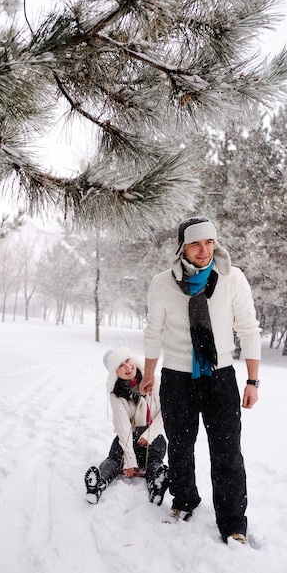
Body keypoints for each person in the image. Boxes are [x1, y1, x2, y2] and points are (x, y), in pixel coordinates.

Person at [140, 216, 261, 545]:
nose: (204, 250)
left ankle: (233, 522)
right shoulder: (162, 283)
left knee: (228, 452)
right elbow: (154, 332)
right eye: (195, 243)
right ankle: (184, 500)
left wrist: (253, 380)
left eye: (209, 242)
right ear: (182, 248)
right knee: (180, 447)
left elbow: (248, 328)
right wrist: (149, 373)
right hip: (177, 378)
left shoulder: (232, 279)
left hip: (221, 377)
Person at [85, 346, 169, 506]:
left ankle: (156, 486)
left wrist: (149, 435)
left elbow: (165, 413)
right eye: (120, 366)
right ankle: (97, 486)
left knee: (154, 459)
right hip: (128, 437)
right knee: (114, 457)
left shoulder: (153, 380)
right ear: (114, 372)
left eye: (127, 361)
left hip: (154, 435)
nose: (127, 367)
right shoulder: (116, 395)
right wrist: (129, 460)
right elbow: (123, 427)